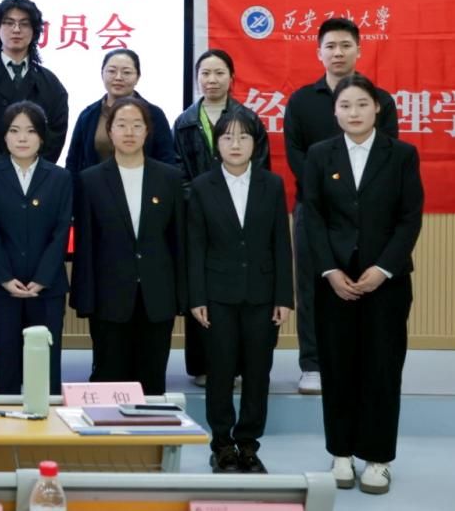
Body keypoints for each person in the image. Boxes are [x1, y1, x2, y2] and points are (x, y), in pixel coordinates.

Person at [302, 74, 422, 497]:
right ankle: (340, 453)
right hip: (334, 282)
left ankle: (377, 459)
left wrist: (384, 268)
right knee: (337, 368)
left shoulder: (401, 154)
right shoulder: (320, 154)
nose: (353, 112)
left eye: (362, 104)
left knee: (382, 368)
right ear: (335, 112)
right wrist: (330, 271)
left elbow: (409, 217)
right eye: (345, 105)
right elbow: (312, 215)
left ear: (378, 109)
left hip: (386, 283)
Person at [284, 17, 400, 396]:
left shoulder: (380, 101)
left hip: (367, 214)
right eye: (330, 46)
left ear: (359, 50)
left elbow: (388, 156)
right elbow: (296, 155)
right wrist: (329, 194)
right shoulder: (301, 101)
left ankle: (359, 362)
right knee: (312, 286)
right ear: (319, 52)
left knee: (364, 283)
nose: (338, 52)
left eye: (345, 45)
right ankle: (313, 364)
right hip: (314, 209)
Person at [187, 110, 292, 475]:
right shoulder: (202, 186)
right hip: (217, 295)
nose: (235, 144)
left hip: (262, 295)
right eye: (227, 137)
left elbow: (281, 243)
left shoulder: (271, 184)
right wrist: (197, 297)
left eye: (243, 137)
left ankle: (248, 444)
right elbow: (195, 246)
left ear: (255, 144)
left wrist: (284, 297)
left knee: (258, 372)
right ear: (217, 143)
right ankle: (222, 445)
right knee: (219, 371)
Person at [70, 96, 185, 395]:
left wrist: (181, 296)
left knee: (152, 385)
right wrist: (85, 298)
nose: (129, 132)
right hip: (108, 299)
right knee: (109, 380)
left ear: (148, 131)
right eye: (121, 125)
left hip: (157, 298)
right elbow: (86, 245)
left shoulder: (169, 178)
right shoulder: (90, 180)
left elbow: (178, 241)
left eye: (137, 125)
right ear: (110, 131)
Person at [173, 48, 271, 387]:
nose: (211, 80)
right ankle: (202, 365)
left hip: (242, 218)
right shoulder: (184, 122)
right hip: (197, 217)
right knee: (201, 287)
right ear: (196, 78)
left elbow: (261, 169)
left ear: (231, 77)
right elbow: (179, 174)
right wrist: (205, 201)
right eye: (205, 73)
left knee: (239, 290)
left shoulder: (249, 119)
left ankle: (239, 366)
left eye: (219, 73)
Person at [0, 101, 71, 396]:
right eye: (14, 130)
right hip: (1, 287)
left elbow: (61, 233)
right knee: (4, 366)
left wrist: (42, 278)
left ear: (42, 137)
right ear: (4, 136)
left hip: (47, 288)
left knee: (45, 367)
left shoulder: (60, 177)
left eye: (30, 131)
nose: (22, 138)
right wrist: (5, 277)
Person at [0, 0, 68, 166]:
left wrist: (33, 168)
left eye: (24, 24)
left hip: (36, 175)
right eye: (9, 23)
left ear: (34, 31)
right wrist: (1, 169)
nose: (16, 29)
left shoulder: (50, 83)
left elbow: (56, 133)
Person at [66, 48, 176, 181]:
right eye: (111, 71)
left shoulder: (153, 114)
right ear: (102, 74)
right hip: (95, 189)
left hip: (144, 187)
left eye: (126, 72)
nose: (118, 77)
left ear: (138, 77)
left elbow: (167, 159)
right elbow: (73, 161)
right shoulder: (88, 115)